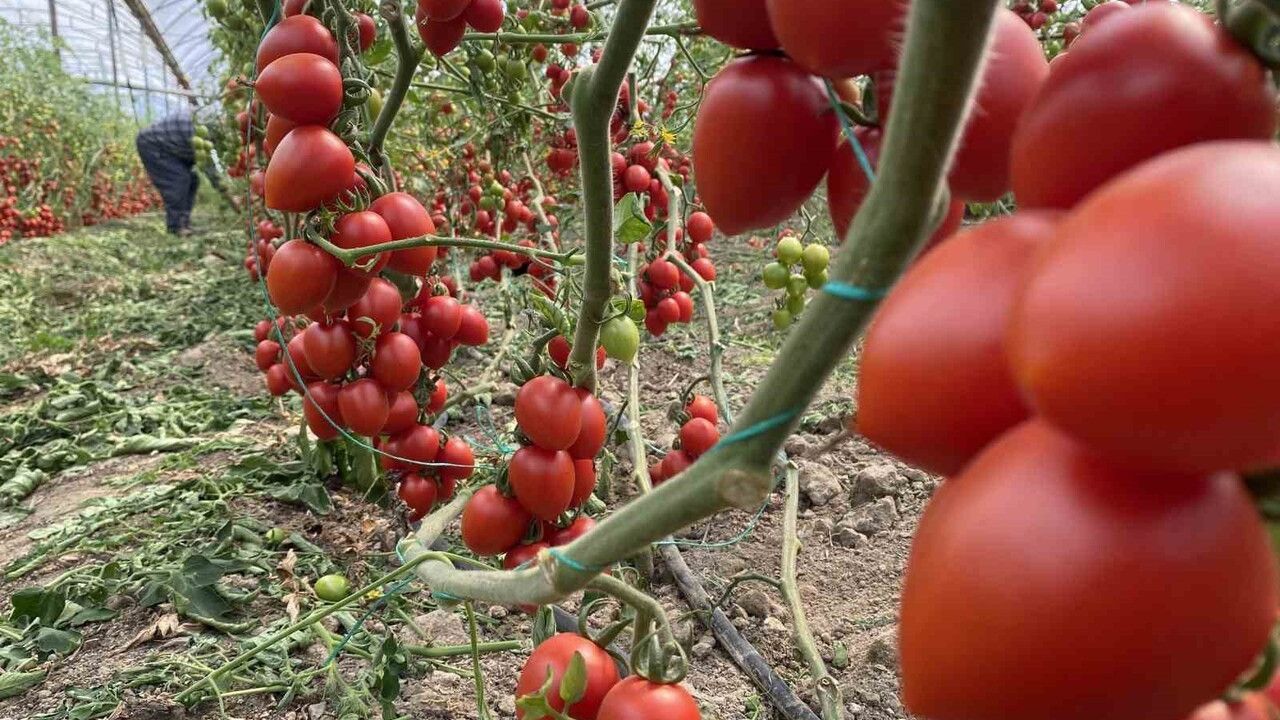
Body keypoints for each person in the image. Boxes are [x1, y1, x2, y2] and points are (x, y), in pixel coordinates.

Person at [135, 112, 205, 235]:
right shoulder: (198, 131)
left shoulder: (202, 128)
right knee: (178, 180)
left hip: (171, 149)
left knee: (193, 179)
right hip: (152, 144)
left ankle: (184, 223)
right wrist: (226, 192)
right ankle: (175, 227)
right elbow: (208, 164)